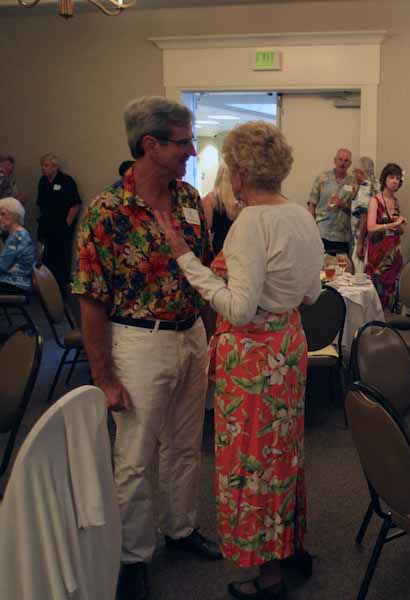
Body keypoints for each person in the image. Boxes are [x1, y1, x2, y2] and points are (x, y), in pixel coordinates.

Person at [154, 120, 322, 600]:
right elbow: (311, 293)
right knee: (283, 455)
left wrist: (187, 260)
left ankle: (266, 578)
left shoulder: (252, 222)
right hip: (289, 345)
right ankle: (289, 550)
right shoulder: (300, 216)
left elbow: (238, 308)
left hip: (253, 356)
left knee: (251, 461)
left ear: (241, 171)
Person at [71, 96, 221, 600]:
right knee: (134, 457)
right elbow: (91, 299)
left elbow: (202, 274)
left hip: (191, 337)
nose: (191, 150)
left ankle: (180, 530)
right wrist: (104, 376)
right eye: (182, 142)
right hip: (138, 340)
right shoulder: (107, 211)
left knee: (185, 446)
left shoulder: (187, 199)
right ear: (150, 144)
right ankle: (132, 555)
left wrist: (212, 335)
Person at [36, 153, 82, 292]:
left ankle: (60, 290)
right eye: (42, 166)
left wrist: (66, 224)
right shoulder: (43, 181)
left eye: (46, 165)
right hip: (45, 226)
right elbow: (40, 204)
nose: (43, 168)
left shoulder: (66, 181)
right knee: (45, 257)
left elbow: (76, 204)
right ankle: (45, 289)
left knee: (61, 258)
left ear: (55, 167)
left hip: (61, 226)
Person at [366, 163, 407, 311]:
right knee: (376, 289)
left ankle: (387, 324)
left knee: (391, 290)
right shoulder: (375, 201)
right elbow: (370, 227)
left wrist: (400, 225)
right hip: (378, 251)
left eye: (397, 178)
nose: (395, 181)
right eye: (391, 177)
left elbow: (397, 229)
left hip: (394, 250)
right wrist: (392, 224)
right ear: (385, 179)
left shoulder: (396, 202)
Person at [308, 147, 355, 255]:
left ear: (350, 164)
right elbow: (312, 203)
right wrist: (311, 228)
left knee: (341, 269)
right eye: (340, 159)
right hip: (322, 232)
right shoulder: (322, 178)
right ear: (335, 161)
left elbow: (354, 211)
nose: (342, 163)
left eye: (346, 160)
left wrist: (342, 204)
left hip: (342, 236)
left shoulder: (353, 182)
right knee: (320, 268)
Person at [0, 197, 35, 295]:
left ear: (15, 216)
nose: (0, 218)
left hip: (14, 283)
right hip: (15, 281)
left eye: (3, 214)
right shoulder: (19, 233)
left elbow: (2, 266)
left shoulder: (17, 237)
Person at [202, 164, 238, 255]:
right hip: (238, 244)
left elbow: (206, 227)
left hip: (219, 246)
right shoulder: (241, 198)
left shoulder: (210, 198)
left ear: (219, 175)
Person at [350, 156, 377, 273]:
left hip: (363, 240)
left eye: (354, 172)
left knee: (358, 275)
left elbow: (364, 216)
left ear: (359, 172)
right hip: (374, 241)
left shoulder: (364, 188)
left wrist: (360, 243)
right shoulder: (377, 185)